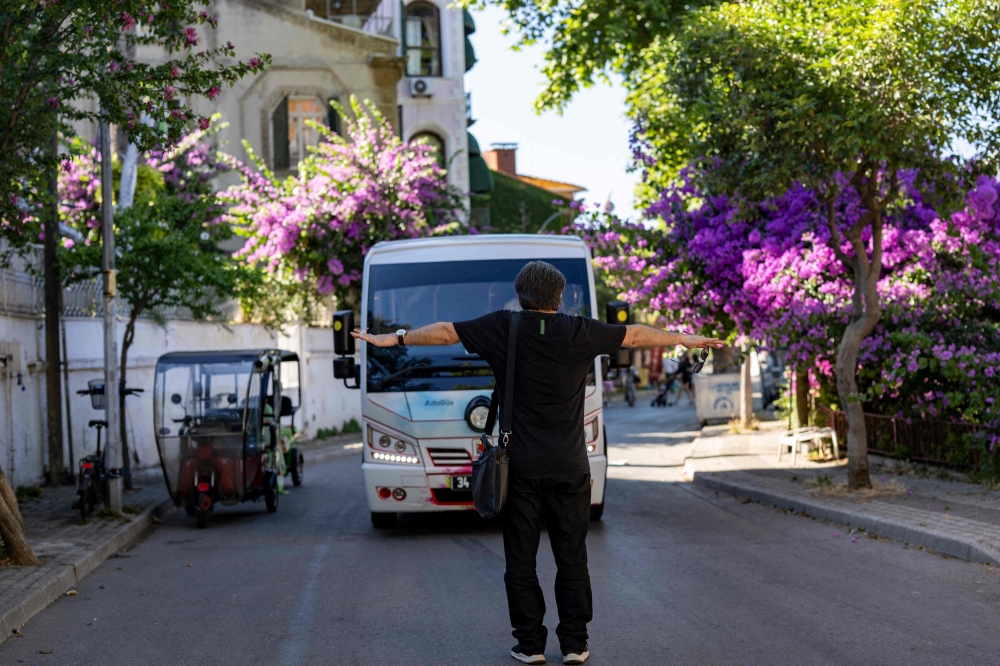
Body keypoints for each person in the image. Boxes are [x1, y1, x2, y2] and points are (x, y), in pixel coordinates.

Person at [352, 261, 722, 665]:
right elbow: (634, 335)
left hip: (520, 468)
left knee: (520, 560)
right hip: (570, 466)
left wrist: (394, 338)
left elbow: (444, 332)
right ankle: (575, 644)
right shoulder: (581, 331)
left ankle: (530, 646)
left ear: (520, 295)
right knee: (572, 557)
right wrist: (684, 338)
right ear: (559, 297)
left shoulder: (502, 326)